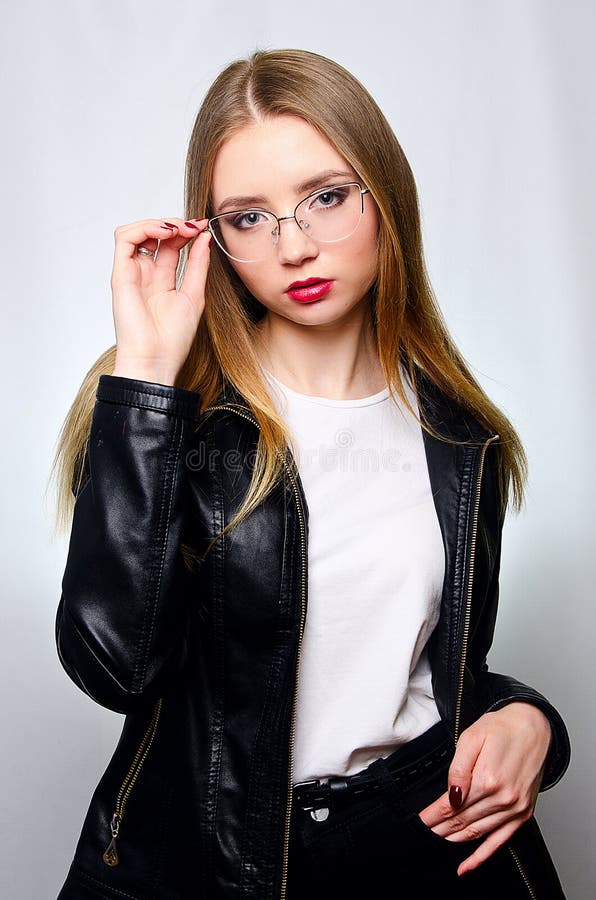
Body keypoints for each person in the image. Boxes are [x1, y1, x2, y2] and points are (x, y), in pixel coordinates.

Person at [51, 48, 570, 900]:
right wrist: (146, 374)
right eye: (250, 218)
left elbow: (417, 673)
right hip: (217, 864)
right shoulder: (175, 409)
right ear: (212, 236)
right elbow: (116, 668)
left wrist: (529, 718)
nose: (294, 247)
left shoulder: (460, 435)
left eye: (326, 197)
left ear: (384, 193)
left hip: (423, 849)